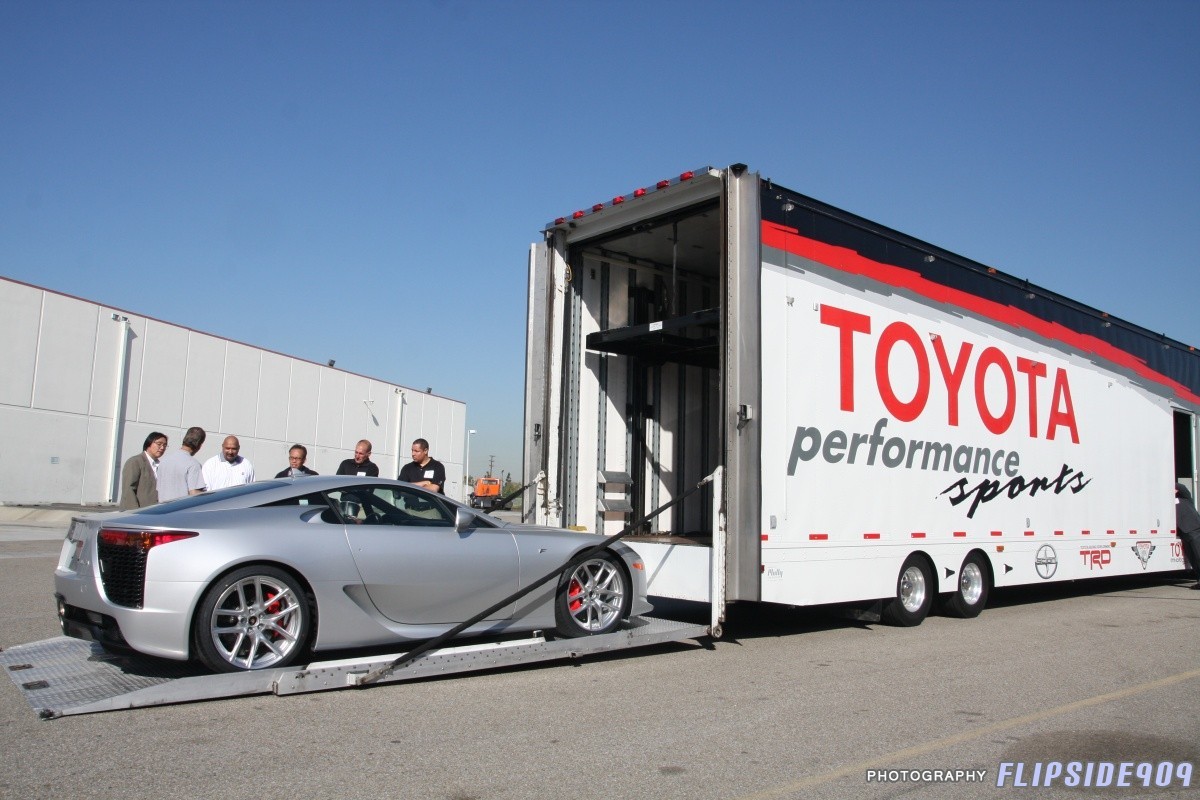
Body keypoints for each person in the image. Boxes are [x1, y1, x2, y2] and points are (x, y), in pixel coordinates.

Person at [119, 431, 168, 510]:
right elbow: (128, 489)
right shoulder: (135, 461)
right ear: (149, 443)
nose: (162, 448)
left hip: (156, 512)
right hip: (137, 514)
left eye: (165, 445)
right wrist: (135, 513)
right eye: (159, 444)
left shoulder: (161, 465)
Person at [157, 426, 207, 501]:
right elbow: (194, 493)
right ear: (200, 446)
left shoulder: (164, 461)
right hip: (180, 510)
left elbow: (158, 489)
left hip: (162, 509)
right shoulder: (193, 465)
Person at [1175, 482, 1200, 590]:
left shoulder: (1185, 498)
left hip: (1194, 530)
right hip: (1184, 533)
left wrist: (1172, 485)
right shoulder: (1170, 501)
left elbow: (1182, 487)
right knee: (1193, 559)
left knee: (1198, 556)